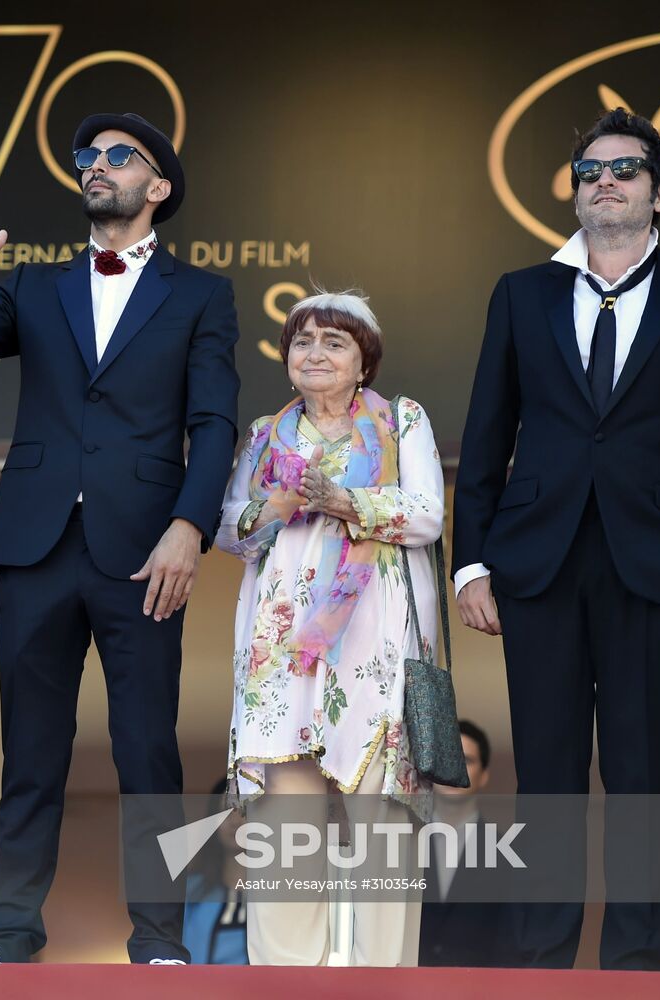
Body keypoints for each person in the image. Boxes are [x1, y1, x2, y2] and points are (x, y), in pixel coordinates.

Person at [0, 111, 239, 964]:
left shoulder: (202, 293)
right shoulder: (34, 285)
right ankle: (8, 933)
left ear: (158, 186)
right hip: (33, 546)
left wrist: (187, 528)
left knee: (146, 755)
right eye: (85, 156)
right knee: (30, 752)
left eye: (117, 157)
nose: (95, 166)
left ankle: (160, 942)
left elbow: (212, 423)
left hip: (144, 552)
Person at [453, 108, 660, 970]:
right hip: (535, 558)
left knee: (638, 779)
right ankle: (541, 963)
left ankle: (634, 966)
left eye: (624, 170)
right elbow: (485, 436)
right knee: (543, 781)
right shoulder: (522, 292)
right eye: (589, 172)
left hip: (654, 561)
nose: (605, 182)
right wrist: (470, 560)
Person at [217, 290, 444, 967]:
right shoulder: (265, 432)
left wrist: (345, 502)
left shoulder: (401, 421)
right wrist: (279, 504)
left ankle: (385, 984)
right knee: (285, 843)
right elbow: (231, 529)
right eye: (302, 340)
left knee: (382, 841)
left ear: (363, 361)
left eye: (333, 341)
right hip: (282, 654)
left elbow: (427, 514)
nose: (314, 352)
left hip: (372, 650)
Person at [418, 719, 509, 967]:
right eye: (446, 757)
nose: (454, 768)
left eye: (466, 760)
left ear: (484, 775)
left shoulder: (507, 854)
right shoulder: (401, 849)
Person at [182, 779, 249, 965]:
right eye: (224, 811)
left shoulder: (277, 893)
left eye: (243, 809)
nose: (234, 820)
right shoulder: (189, 892)